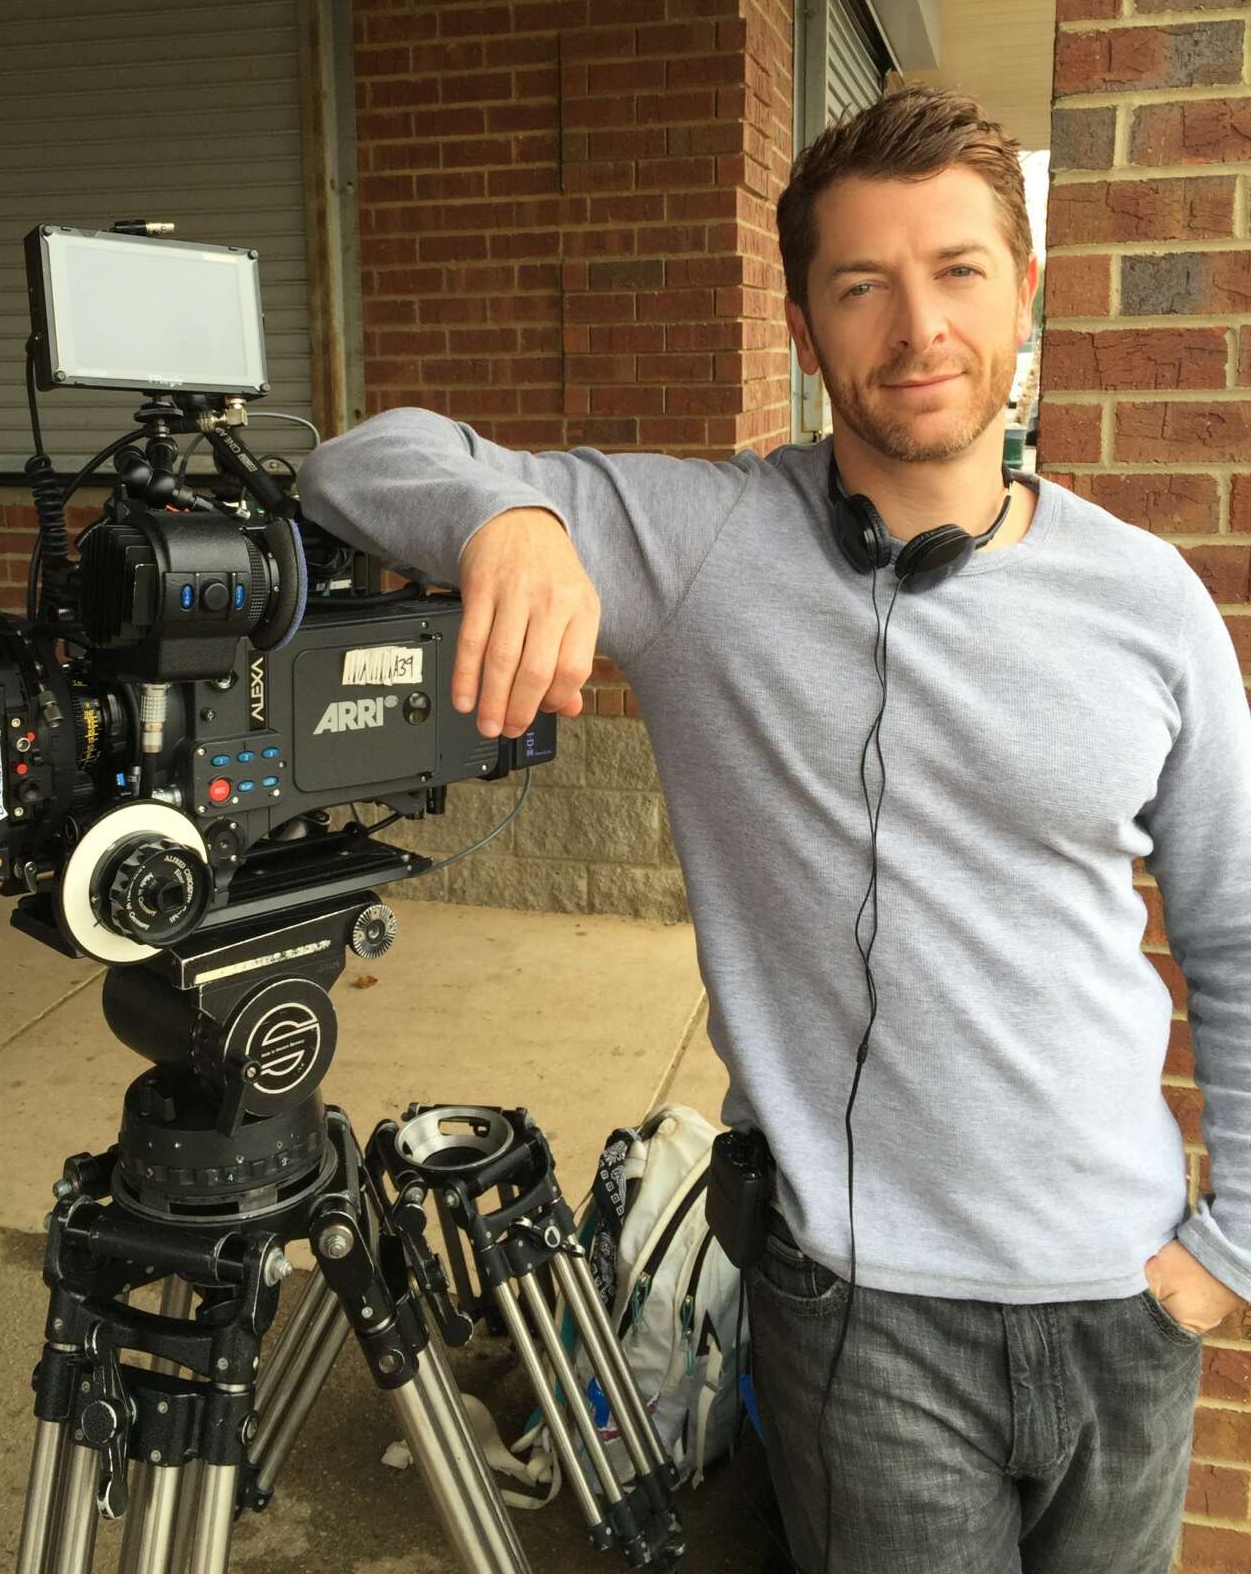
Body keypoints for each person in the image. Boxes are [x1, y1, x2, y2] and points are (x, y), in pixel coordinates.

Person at [295, 86, 1251, 1574]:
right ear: (804, 329)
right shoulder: (708, 545)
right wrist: (509, 522)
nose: (918, 327)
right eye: (862, 285)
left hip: (1127, 1302)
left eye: (957, 271)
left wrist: (1229, 1252)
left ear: (1025, 291)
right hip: (868, 1322)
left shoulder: (1151, 599)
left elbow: (1237, 926)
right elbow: (357, 459)